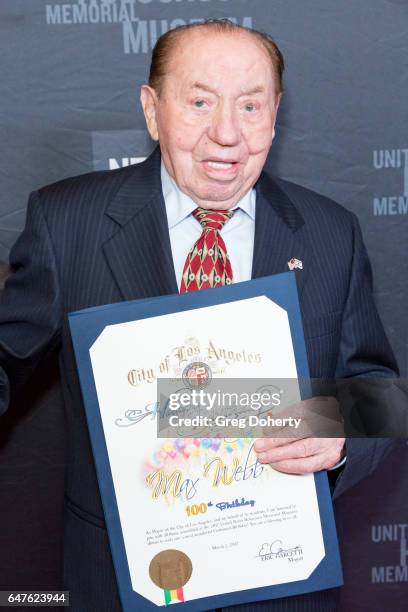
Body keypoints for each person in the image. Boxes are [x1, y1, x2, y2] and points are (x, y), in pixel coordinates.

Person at [0, 19, 398, 612]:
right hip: (117, 580)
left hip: (281, 585)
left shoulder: (328, 232)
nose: (226, 134)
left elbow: (380, 390)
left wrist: (341, 436)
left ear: (275, 113)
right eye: (200, 102)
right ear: (152, 110)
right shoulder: (67, 222)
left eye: (250, 106)